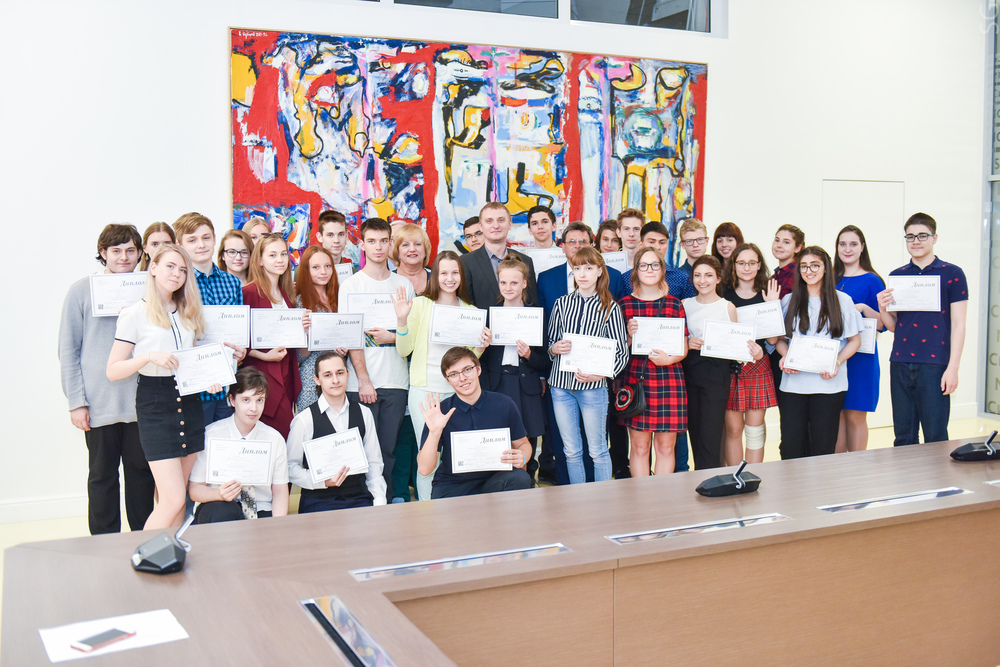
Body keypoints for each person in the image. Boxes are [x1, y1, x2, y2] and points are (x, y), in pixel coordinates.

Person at [107, 244, 213, 530]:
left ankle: (172, 552)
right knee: (172, 498)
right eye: (170, 266)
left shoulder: (189, 311)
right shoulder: (134, 314)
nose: (176, 274)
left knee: (178, 498)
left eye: (183, 270)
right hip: (155, 403)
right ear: (153, 268)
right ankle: (140, 552)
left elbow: (192, 361)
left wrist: (210, 378)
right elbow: (113, 370)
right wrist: (148, 357)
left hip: (189, 401)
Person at [59, 223, 154, 535]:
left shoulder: (151, 289)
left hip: (141, 402)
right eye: (116, 251)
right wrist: (76, 402)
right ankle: (103, 545)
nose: (124, 257)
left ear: (140, 253)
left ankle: (144, 540)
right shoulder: (80, 291)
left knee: (142, 477)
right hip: (98, 403)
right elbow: (68, 350)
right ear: (103, 253)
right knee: (102, 477)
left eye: (130, 250)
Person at [394, 250, 490, 500]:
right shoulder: (420, 305)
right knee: (429, 458)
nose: (449, 278)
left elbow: (469, 362)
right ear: (435, 275)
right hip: (425, 393)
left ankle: (456, 509)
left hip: (459, 395)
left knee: (457, 456)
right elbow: (403, 350)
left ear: (462, 276)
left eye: (455, 272)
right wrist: (402, 320)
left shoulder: (470, 310)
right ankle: (429, 510)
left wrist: (480, 348)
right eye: (444, 273)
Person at [537, 221, 627, 483]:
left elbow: (621, 354)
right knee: (571, 450)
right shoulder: (562, 304)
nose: (583, 274)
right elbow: (551, 342)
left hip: (593, 387)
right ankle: (578, 499)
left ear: (599, 270)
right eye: (578, 268)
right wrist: (554, 348)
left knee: (598, 450)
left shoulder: (610, 308)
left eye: (588, 268)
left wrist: (601, 374)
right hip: (561, 387)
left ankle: (600, 498)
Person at [338, 217, 415, 500]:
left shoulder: (403, 284)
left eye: (384, 241)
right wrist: (364, 380)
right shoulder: (351, 286)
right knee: (361, 449)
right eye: (371, 241)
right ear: (362, 244)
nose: (378, 247)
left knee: (388, 450)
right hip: (361, 383)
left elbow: (411, 334)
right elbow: (352, 336)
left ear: (390, 243)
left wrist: (392, 337)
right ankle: (362, 503)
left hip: (396, 381)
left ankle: (387, 502)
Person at [877, 213, 968, 446]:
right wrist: (882, 308)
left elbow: (959, 324)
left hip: (935, 363)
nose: (915, 241)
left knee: (935, 436)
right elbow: (894, 326)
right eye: (910, 236)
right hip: (900, 361)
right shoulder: (898, 276)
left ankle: (937, 473)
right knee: (903, 437)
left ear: (934, 238)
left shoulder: (952, 274)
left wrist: (953, 368)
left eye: (922, 236)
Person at [619, 220, 693, 473]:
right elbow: (619, 351)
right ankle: (640, 495)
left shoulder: (675, 304)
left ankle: (662, 495)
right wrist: (629, 337)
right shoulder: (624, 305)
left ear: (662, 269)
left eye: (655, 265)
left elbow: (683, 347)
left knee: (665, 447)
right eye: (643, 265)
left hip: (669, 378)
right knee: (639, 448)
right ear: (636, 270)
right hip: (636, 379)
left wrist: (670, 359)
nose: (649, 269)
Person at [777, 247, 862, 459]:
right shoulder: (789, 300)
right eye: (804, 266)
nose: (809, 271)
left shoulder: (842, 300)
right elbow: (780, 341)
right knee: (790, 447)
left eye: (815, 265)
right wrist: (786, 356)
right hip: (794, 385)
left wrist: (837, 362)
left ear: (825, 268)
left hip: (828, 386)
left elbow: (855, 341)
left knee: (823, 447)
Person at [417, 347, 533, 498]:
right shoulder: (440, 412)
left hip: (494, 482)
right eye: (454, 374)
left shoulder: (504, 404)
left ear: (478, 369)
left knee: (521, 477)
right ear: (447, 380)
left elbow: (523, 444)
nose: (462, 378)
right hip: (453, 485)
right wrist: (434, 432)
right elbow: (424, 469)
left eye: (467, 370)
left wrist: (523, 456)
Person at [287, 352, 387, 511]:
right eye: (328, 375)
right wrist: (322, 482)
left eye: (340, 373)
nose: (335, 380)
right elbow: (291, 467)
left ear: (348, 374)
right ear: (317, 380)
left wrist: (380, 501)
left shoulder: (364, 413)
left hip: (359, 499)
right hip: (318, 502)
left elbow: (374, 463)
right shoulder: (304, 420)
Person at [480, 255, 550, 481]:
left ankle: (527, 481)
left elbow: (546, 360)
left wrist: (529, 355)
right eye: (503, 282)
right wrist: (483, 346)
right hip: (497, 384)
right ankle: (501, 483)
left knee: (527, 436)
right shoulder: (489, 316)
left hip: (526, 386)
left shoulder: (536, 315)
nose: (508, 287)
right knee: (498, 436)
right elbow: (480, 359)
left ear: (524, 284)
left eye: (514, 282)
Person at [188, 367, 289, 523]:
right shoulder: (212, 435)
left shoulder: (274, 439)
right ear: (232, 400)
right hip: (218, 506)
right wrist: (219, 494)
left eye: (259, 400)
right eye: (246, 400)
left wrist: (278, 526)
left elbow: (280, 491)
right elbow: (195, 489)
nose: (253, 408)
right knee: (224, 513)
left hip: (260, 508)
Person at [174, 212, 246, 427]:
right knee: (195, 446)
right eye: (192, 240)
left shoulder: (232, 282)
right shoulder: (177, 284)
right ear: (179, 245)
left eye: (206, 238)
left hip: (225, 386)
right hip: (193, 389)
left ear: (215, 239)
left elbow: (236, 333)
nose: (201, 245)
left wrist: (240, 351)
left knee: (224, 441)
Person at [242, 235, 306, 439]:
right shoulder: (248, 293)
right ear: (260, 260)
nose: (280, 260)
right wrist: (264, 356)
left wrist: (302, 327)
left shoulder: (286, 294)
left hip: (286, 371)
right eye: (272, 255)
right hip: (261, 375)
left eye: (283, 254)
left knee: (284, 438)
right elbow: (239, 341)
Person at [721, 243, 780, 465]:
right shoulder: (723, 295)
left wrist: (772, 305)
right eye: (741, 263)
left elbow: (773, 340)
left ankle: (754, 476)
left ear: (759, 265)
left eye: (752, 263)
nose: (747, 268)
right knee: (733, 429)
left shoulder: (767, 294)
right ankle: (735, 478)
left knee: (754, 430)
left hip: (758, 365)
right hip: (731, 368)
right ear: (734, 265)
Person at [834, 225, 886, 452]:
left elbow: (884, 324)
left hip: (861, 359)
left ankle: (857, 467)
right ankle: (837, 469)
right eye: (842, 244)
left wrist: (864, 308)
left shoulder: (873, 281)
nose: (847, 249)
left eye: (853, 244)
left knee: (855, 415)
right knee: (836, 415)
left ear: (862, 247)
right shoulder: (830, 278)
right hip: (835, 357)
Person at [682, 255, 737, 470]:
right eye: (697, 275)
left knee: (711, 432)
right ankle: (700, 477)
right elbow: (677, 339)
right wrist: (687, 342)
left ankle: (711, 478)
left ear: (718, 278)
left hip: (717, 372)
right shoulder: (685, 305)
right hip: (690, 370)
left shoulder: (727, 307)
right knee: (694, 430)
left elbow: (735, 346)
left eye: (708, 275)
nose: (702, 280)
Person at [460, 202, 538, 309]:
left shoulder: (526, 261)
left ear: (510, 224)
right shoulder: (465, 262)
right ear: (481, 226)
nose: (496, 226)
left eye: (501, 220)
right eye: (489, 221)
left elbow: (532, 305)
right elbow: (465, 306)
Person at [295, 245, 344, 411]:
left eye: (327, 266)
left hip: (339, 376)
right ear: (306, 270)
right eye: (316, 267)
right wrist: (307, 335)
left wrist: (345, 349)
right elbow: (300, 357)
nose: (323, 272)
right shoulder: (300, 302)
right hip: (313, 379)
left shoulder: (341, 298)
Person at [391, 222, 431, 296]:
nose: (412, 249)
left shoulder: (437, 279)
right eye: (405, 245)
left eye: (417, 244)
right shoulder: (387, 279)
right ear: (397, 252)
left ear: (425, 251)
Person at [771, 224, 805, 298]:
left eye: (786, 242)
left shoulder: (799, 274)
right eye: (777, 240)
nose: (779, 245)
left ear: (798, 248)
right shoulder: (775, 276)